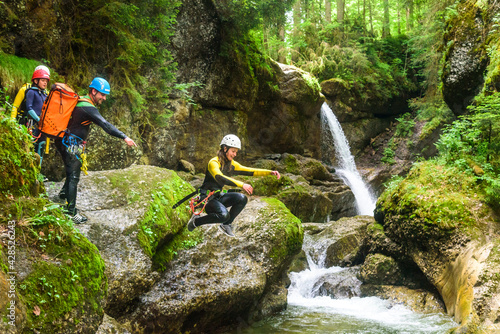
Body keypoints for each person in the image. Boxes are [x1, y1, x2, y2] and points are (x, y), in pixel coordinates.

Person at [56, 77, 137, 224]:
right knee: (74, 175)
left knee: (71, 170)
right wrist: (124, 137)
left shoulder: (81, 101)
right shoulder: (88, 107)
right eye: (102, 94)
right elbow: (105, 125)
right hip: (71, 143)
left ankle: (64, 193)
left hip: (63, 139)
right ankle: (71, 212)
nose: (104, 98)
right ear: (93, 91)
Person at [187, 134, 281, 237]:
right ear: (225, 148)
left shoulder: (231, 164)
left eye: (236, 152)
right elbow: (220, 177)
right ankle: (196, 221)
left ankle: (226, 225)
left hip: (218, 197)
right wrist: (242, 184)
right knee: (224, 215)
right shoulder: (213, 162)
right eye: (233, 151)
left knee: (242, 198)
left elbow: (250, 171)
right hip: (206, 199)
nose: (235, 154)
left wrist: (270, 172)